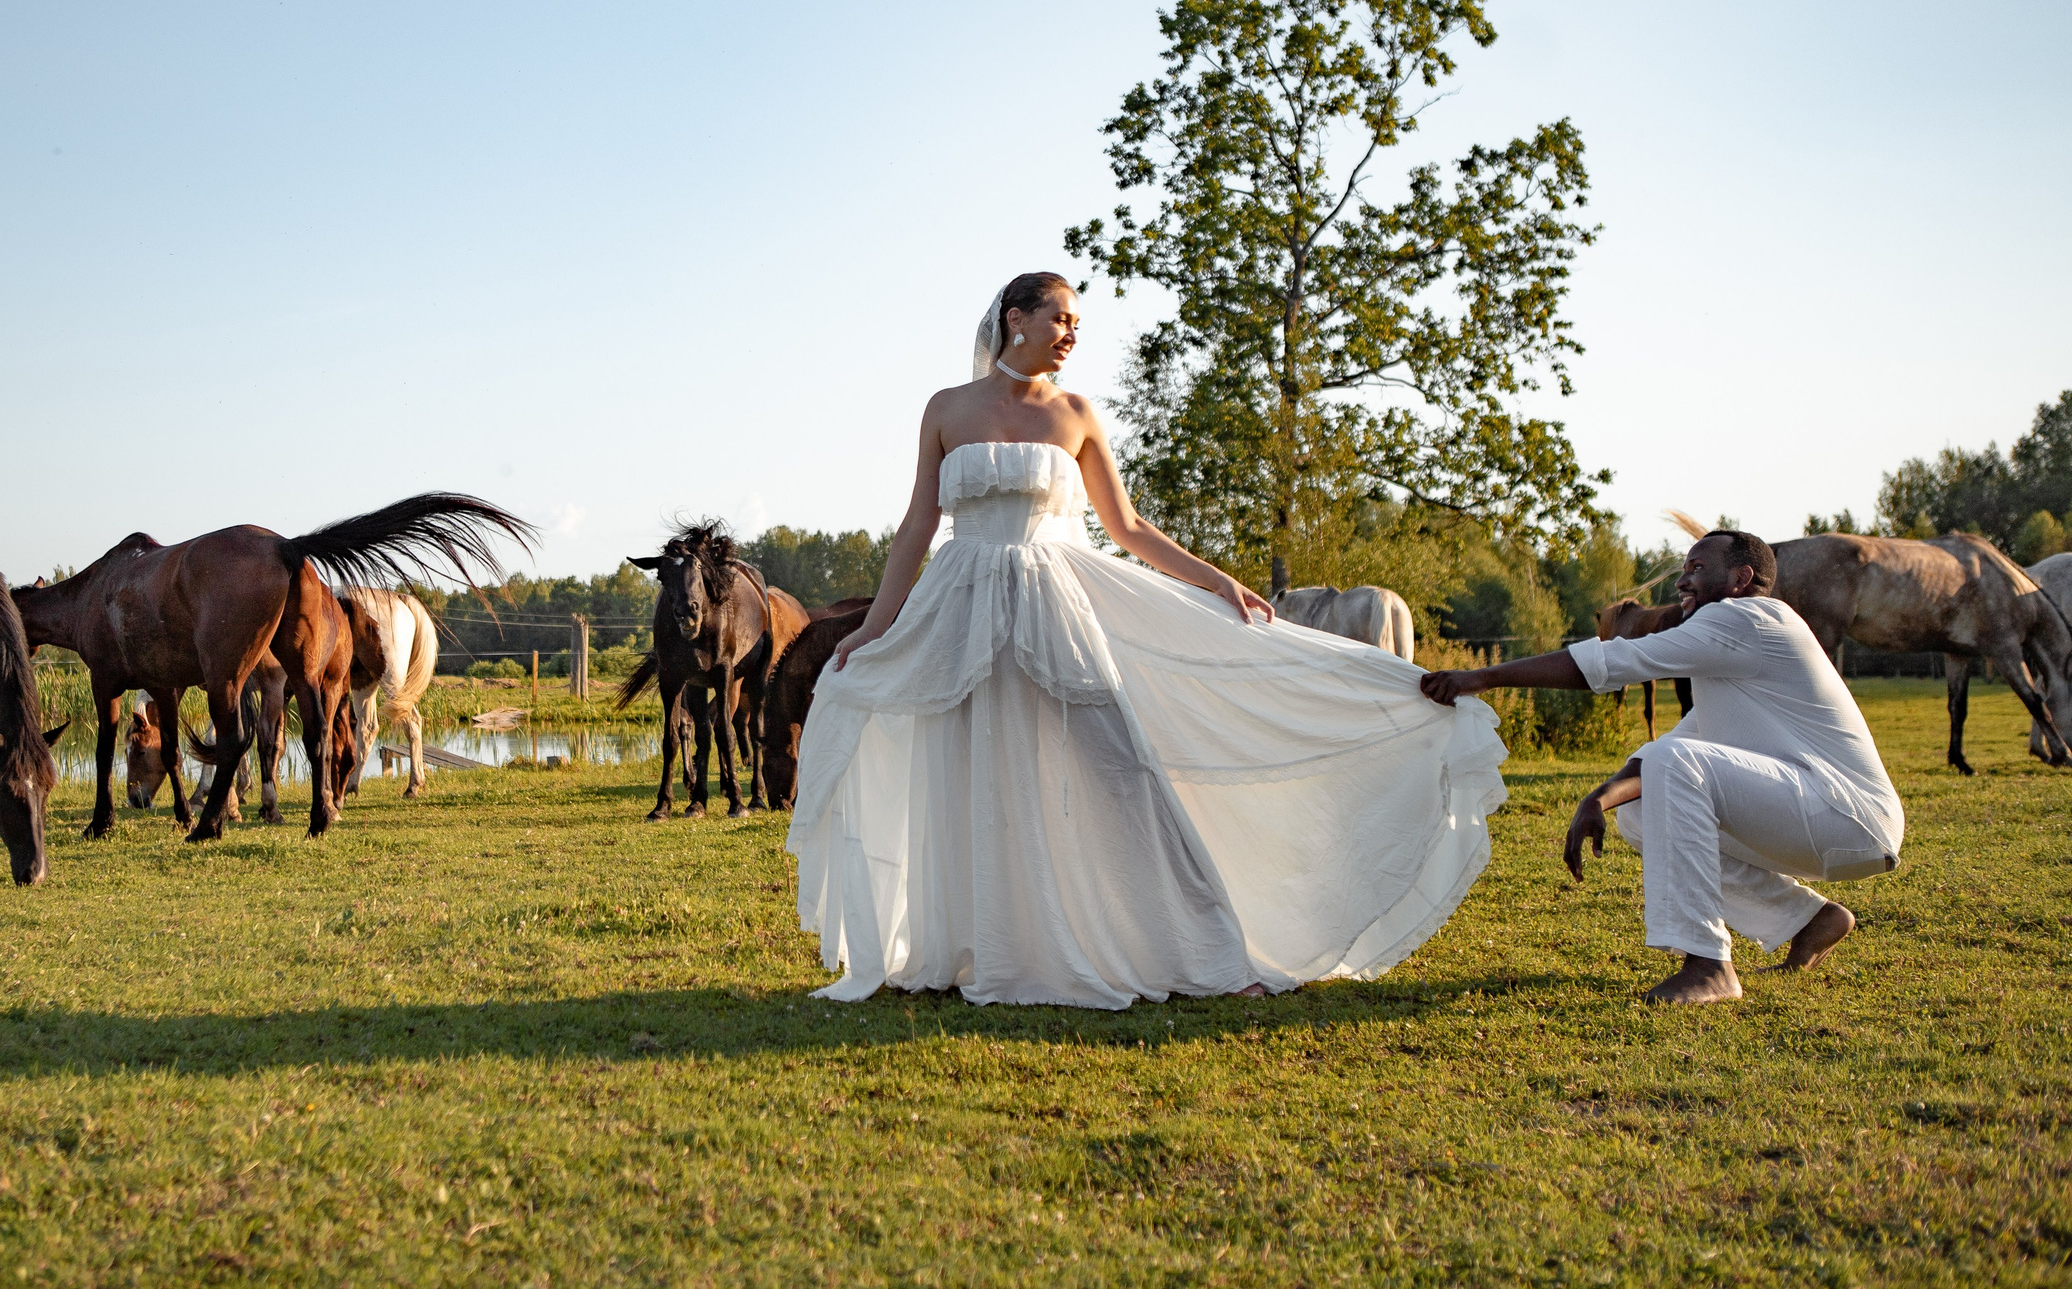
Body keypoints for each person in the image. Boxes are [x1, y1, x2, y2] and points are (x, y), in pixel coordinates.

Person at [785, 272, 1510, 1008]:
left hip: (1051, 606)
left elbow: (1128, 528)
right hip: (960, 609)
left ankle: (1212, 953)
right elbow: (917, 524)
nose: (1072, 332)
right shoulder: (945, 409)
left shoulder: (1075, 413)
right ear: (1016, 318)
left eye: (1077, 323)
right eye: (1061, 317)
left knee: (1124, 771)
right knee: (972, 769)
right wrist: (877, 627)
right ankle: (984, 947)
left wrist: (1215, 580)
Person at [1421, 529, 1903, 1004]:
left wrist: (1483, 676)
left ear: (1741, 578)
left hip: (1851, 816)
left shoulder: (1746, 620)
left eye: (1697, 568)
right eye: (1683, 569)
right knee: (1639, 807)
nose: (1682, 581)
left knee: (1672, 766)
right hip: (1827, 819)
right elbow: (1680, 740)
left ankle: (1709, 965)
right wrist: (1599, 798)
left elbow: (1618, 661)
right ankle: (1807, 921)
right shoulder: (1734, 652)